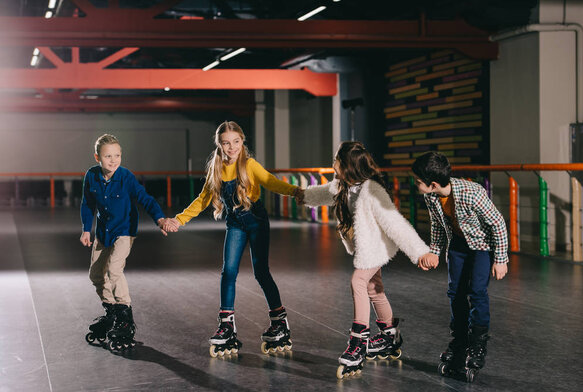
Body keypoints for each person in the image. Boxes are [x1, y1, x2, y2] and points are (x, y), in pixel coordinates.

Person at [162, 120, 304, 357]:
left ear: (242, 141)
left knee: (261, 271)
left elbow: (271, 181)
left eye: (236, 142)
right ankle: (226, 326)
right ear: (219, 145)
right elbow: (203, 199)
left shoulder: (249, 165)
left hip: (256, 221)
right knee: (228, 272)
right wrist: (179, 220)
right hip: (235, 224)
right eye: (226, 143)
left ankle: (279, 321)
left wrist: (296, 191)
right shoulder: (216, 169)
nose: (232, 147)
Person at [301, 141, 436, 379]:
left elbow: (395, 222)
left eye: (337, 160)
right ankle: (389, 335)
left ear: (348, 166)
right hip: (366, 245)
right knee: (374, 288)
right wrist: (303, 196)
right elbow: (325, 192)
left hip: (376, 246)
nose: (333, 164)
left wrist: (419, 252)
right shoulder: (343, 185)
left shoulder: (372, 190)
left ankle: (358, 342)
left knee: (358, 283)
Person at [411, 151, 508, 382]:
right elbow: (437, 226)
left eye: (418, 181)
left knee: (477, 292)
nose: (415, 184)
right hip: (457, 244)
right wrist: (434, 252)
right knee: (455, 292)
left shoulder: (472, 193)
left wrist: (501, 258)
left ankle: (477, 344)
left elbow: (497, 222)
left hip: (481, 246)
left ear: (432, 184)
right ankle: (460, 340)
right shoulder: (432, 197)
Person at [80, 133, 168, 352]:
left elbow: (145, 198)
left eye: (117, 155)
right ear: (97, 157)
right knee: (96, 274)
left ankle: (125, 317)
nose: (113, 160)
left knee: (114, 270)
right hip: (103, 232)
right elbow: (87, 204)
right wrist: (85, 229)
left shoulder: (126, 177)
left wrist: (160, 219)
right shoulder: (91, 176)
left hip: (124, 231)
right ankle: (111, 312)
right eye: (108, 156)